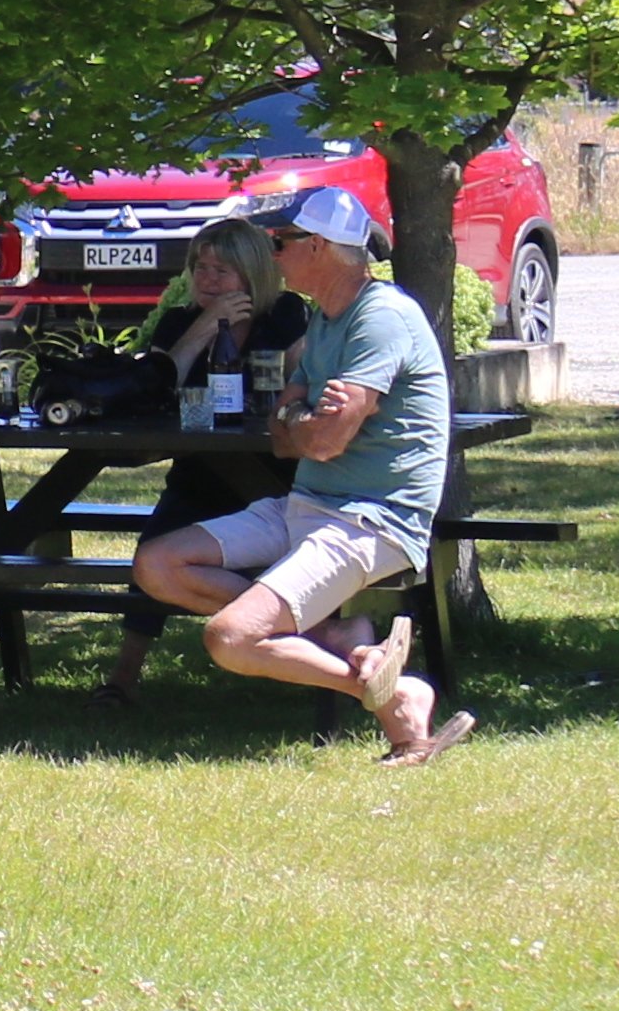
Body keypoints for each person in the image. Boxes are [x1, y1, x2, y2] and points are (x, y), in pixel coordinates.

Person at [131, 185, 468, 762]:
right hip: (304, 505)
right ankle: (346, 647)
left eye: (281, 241)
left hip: (371, 523)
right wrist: (302, 416)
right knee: (156, 563)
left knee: (230, 638)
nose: (273, 253)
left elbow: (324, 439)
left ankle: (392, 693)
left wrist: (303, 420)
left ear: (320, 247)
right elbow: (285, 437)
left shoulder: (382, 318)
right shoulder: (327, 317)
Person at [102, 217, 310, 707]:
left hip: (273, 478)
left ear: (253, 275)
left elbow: (299, 381)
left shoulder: (284, 314)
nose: (208, 281)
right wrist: (200, 330)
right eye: (201, 268)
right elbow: (151, 393)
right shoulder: (179, 320)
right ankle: (122, 677)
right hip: (198, 472)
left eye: (222, 271)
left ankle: (295, 640)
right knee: (154, 547)